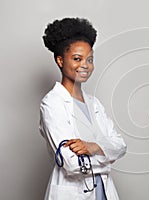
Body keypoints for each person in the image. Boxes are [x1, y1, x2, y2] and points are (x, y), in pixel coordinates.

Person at [39, 17, 127, 200]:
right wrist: (107, 158)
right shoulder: (52, 104)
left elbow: (120, 145)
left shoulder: (94, 103)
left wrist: (92, 147)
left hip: (103, 192)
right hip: (73, 193)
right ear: (60, 60)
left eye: (90, 59)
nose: (85, 65)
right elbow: (71, 164)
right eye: (77, 59)